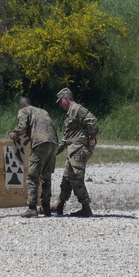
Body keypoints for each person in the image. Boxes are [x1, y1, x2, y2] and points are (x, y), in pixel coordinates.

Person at [8, 96, 59, 217]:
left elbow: (22, 126)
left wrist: (14, 134)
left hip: (40, 143)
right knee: (46, 176)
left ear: (21, 105)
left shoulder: (24, 110)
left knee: (32, 176)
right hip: (54, 143)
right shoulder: (42, 111)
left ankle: (32, 208)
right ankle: (46, 207)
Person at [53, 87, 99, 217]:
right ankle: (59, 205)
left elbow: (92, 121)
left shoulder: (77, 109)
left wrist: (91, 139)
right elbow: (66, 138)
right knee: (67, 177)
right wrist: (54, 152)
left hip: (80, 149)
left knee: (76, 178)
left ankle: (86, 208)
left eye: (60, 101)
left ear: (66, 98)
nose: (59, 104)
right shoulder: (70, 113)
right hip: (73, 150)